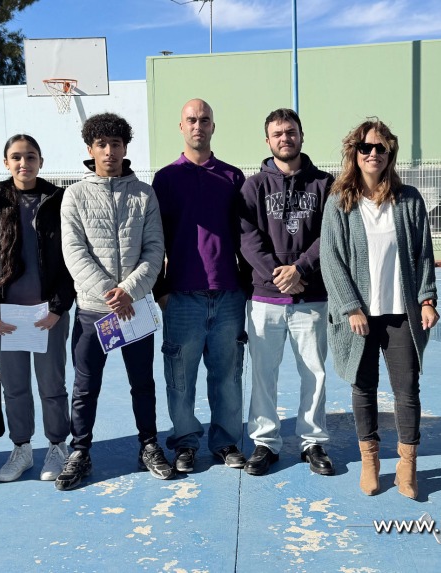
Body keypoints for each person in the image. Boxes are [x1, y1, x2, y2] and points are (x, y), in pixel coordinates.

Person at [320, 119, 438, 499]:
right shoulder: (340, 202)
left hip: (401, 313)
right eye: (365, 147)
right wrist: (351, 307)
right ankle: (370, 461)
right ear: (354, 153)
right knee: (364, 387)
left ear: (390, 154)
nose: (373, 153)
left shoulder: (409, 200)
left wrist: (427, 299)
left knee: (407, 390)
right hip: (361, 316)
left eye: (380, 148)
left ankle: (407, 466)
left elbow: (423, 254)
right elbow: (331, 259)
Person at [57, 112, 174, 490]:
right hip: (94, 312)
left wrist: (129, 292)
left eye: (116, 144)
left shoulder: (144, 194)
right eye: (102, 144)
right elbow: (74, 252)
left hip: (135, 308)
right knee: (85, 386)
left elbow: (154, 249)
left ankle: (149, 444)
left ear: (125, 148)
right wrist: (111, 293)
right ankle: (80, 450)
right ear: (90, 149)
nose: (109, 151)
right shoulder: (74, 195)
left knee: (143, 383)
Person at [0, 134, 75, 483]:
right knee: (14, 388)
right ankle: (22, 448)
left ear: (41, 162)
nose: (23, 163)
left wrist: (58, 307)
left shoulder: (58, 199)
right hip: (8, 317)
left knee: (52, 385)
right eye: (16, 157)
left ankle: (57, 446)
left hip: (48, 314)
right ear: (6, 163)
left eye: (31, 156)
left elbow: (72, 257)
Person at [237, 108, 335, 477]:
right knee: (264, 374)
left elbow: (331, 233)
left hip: (311, 296)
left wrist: (300, 270)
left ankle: (313, 442)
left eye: (290, 131)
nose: (285, 138)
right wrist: (278, 276)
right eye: (277, 133)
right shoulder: (253, 187)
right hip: (266, 298)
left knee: (314, 372)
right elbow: (247, 238)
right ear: (267, 140)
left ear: (301, 135)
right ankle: (265, 442)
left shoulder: (324, 184)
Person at [153, 99, 248, 473]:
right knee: (180, 381)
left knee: (228, 379)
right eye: (191, 120)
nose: (198, 125)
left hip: (228, 297)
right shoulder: (165, 179)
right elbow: (154, 239)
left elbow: (246, 237)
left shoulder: (232, 178)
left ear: (213, 126)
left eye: (204, 120)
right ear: (181, 126)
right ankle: (185, 443)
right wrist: (161, 290)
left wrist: (247, 287)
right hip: (181, 298)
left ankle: (225, 442)